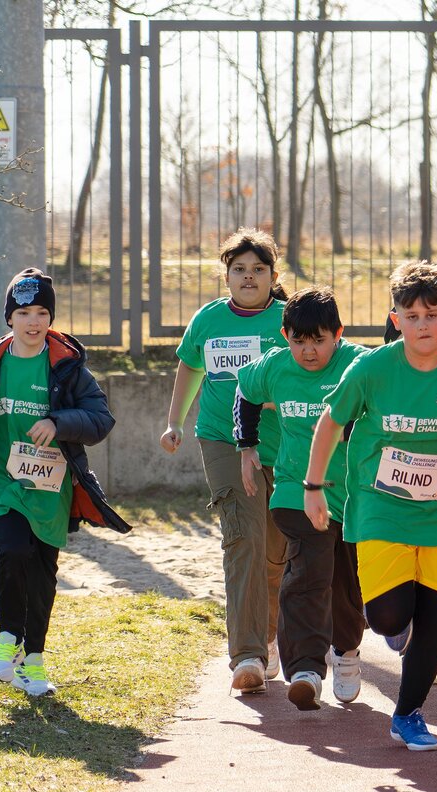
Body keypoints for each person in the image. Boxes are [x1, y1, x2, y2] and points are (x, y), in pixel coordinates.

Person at [304, 261, 437, 751]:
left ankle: (409, 713)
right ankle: (399, 627)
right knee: (390, 617)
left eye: (431, 314)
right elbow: (330, 423)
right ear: (395, 317)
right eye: (410, 315)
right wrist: (313, 485)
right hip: (379, 504)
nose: (421, 325)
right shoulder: (372, 367)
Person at [0, 269, 129, 697]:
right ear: (9, 319)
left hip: (50, 486)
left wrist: (58, 421)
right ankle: (6, 637)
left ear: (50, 317)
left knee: (42, 573)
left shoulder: (67, 367)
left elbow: (101, 419)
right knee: (12, 549)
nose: (33, 321)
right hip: (0, 479)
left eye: (42, 312)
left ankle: (32, 661)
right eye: (23, 312)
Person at [161, 229, 290, 694]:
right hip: (221, 440)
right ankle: (247, 654)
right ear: (227, 275)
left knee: (277, 551)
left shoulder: (285, 319)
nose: (249, 277)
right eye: (239, 269)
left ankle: (270, 634)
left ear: (273, 276)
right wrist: (174, 420)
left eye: (258, 269)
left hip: (284, 444)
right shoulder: (209, 319)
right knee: (242, 539)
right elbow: (191, 367)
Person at [235, 287, 366, 710]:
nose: (308, 352)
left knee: (346, 584)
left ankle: (346, 651)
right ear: (285, 335)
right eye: (298, 341)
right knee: (307, 569)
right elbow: (245, 391)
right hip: (294, 487)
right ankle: (306, 669)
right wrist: (247, 444)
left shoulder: (359, 365)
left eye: (319, 341)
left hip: (351, 494)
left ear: (339, 334)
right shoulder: (274, 366)